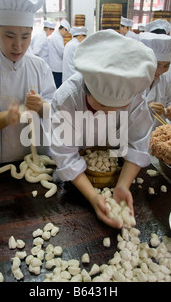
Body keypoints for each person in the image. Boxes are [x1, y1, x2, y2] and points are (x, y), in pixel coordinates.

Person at [49, 30, 157, 229]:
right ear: (87, 89)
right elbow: (66, 156)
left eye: (119, 108)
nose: (109, 115)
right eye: (103, 106)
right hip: (78, 181)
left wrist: (123, 185)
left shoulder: (133, 94)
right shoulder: (67, 99)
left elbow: (138, 142)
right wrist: (93, 198)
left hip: (115, 168)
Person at [0, 0, 56, 165]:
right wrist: (9, 117)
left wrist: (41, 106)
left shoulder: (40, 66)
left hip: (40, 156)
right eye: (9, 36)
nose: (18, 45)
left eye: (25, 37)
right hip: (3, 159)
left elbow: (55, 112)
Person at [140, 33, 171, 129]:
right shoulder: (132, 78)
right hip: (133, 134)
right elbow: (119, 113)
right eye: (156, 64)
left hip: (159, 130)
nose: (160, 71)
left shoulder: (167, 77)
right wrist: (143, 110)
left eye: (166, 65)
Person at [48, 20, 71, 88]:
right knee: (58, 86)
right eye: (66, 33)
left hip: (55, 66)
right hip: (57, 67)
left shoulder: (56, 35)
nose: (66, 35)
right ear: (64, 29)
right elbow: (61, 52)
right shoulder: (57, 37)